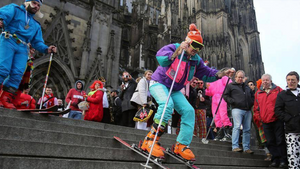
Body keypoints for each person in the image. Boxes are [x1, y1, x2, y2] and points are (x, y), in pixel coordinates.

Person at [140, 23, 235, 160]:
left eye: (199, 47)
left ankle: (181, 145)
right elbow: (161, 58)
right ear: (188, 42)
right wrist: (178, 51)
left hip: (174, 89)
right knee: (167, 106)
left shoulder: (196, 60)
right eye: (195, 45)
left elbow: (207, 73)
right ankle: (150, 140)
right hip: (159, 83)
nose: (196, 49)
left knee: (189, 111)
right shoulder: (174, 47)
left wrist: (222, 73)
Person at [0, 0, 57, 109]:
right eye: (35, 3)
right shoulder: (15, 9)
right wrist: (2, 20)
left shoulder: (36, 25)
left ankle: (6, 98)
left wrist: (47, 48)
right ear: (27, 2)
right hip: (9, 40)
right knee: (3, 69)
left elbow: (37, 42)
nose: (36, 7)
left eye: (39, 5)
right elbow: (4, 14)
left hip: (23, 47)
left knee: (17, 74)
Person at [253, 74, 287, 167]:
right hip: (265, 120)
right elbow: (256, 108)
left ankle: (283, 160)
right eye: (263, 80)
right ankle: (275, 159)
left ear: (270, 81)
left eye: (267, 80)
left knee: (280, 140)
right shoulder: (258, 93)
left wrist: (281, 116)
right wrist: (259, 118)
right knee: (270, 141)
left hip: (277, 120)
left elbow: (285, 104)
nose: (265, 82)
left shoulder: (279, 90)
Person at [223, 70, 254, 154]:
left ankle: (246, 147)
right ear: (235, 77)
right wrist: (232, 101)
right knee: (237, 127)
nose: (240, 79)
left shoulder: (247, 87)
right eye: (239, 77)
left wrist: (251, 102)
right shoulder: (230, 86)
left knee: (247, 129)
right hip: (237, 109)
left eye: (242, 77)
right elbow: (225, 95)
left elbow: (252, 96)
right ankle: (235, 146)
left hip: (247, 110)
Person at [275, 71, 300, 169]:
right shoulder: (282, 95)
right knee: (293, 156)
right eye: (288, 80)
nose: (290, 82)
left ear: (297, 81)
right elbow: (278, 110)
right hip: (291, 130)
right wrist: (289, 119)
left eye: (293, 80)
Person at [205, 75, 233, 141]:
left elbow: (230, 83)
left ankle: (228, 133)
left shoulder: (223, 78)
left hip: (222, 96)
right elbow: (209, 93)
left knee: (223, 115)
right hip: (214, 98)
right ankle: (220, 133)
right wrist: (206, 88)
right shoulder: (210, 81)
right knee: (216, 116)